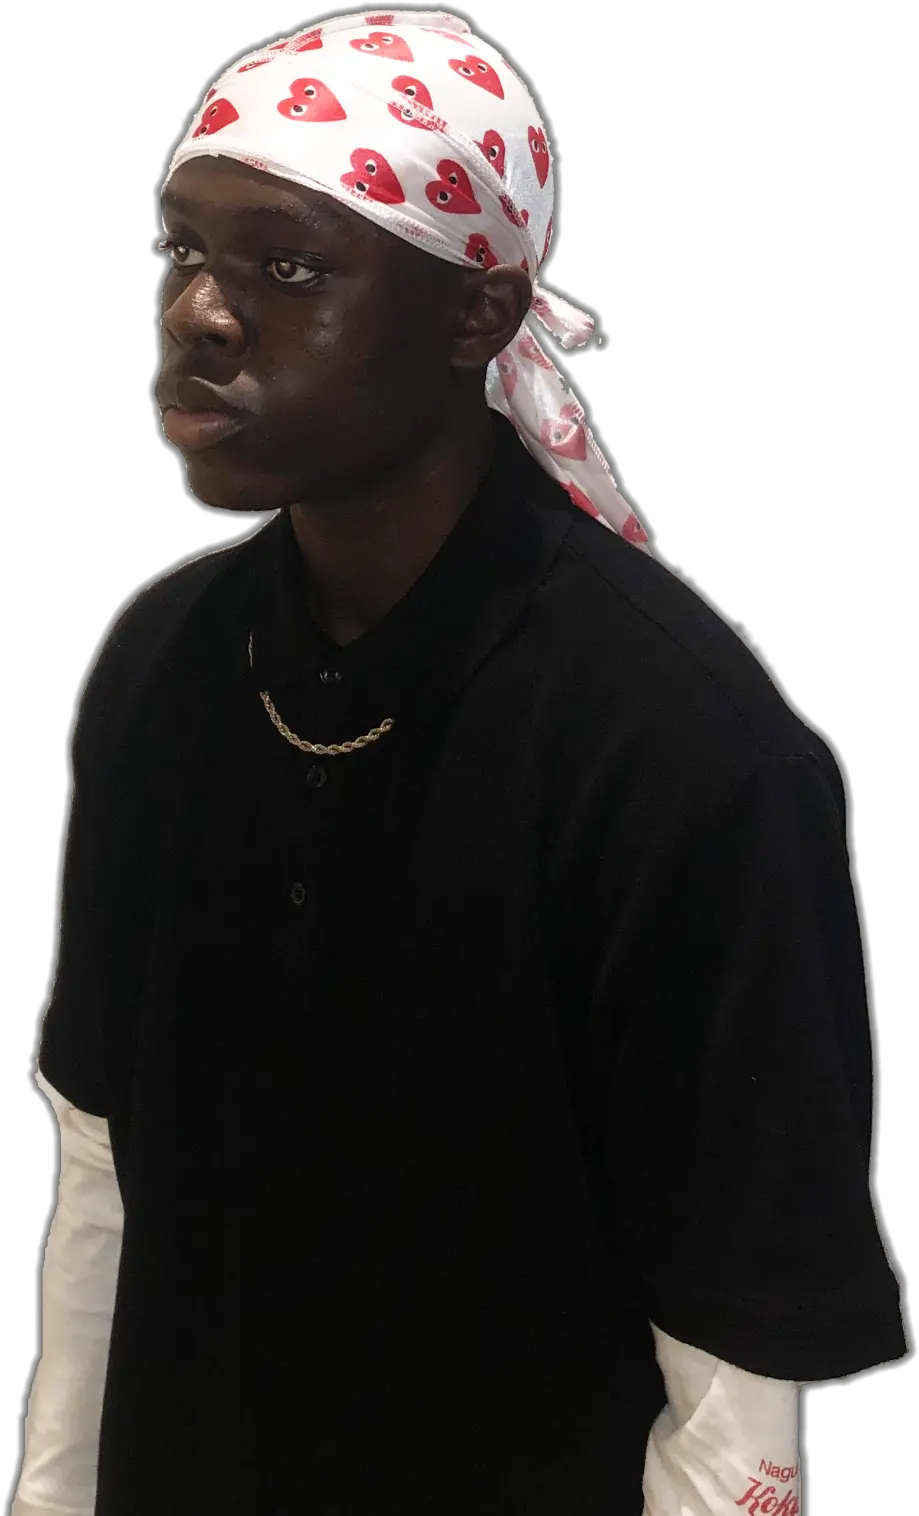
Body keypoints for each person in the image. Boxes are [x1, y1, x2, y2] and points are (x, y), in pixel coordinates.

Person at [13, 11, 908, 1516]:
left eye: (290, 267)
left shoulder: (684, 756)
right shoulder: (162, 668)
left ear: (478, 311)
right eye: (182, 252)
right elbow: (103, 1168)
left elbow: (734, 1384)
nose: (200, 313)